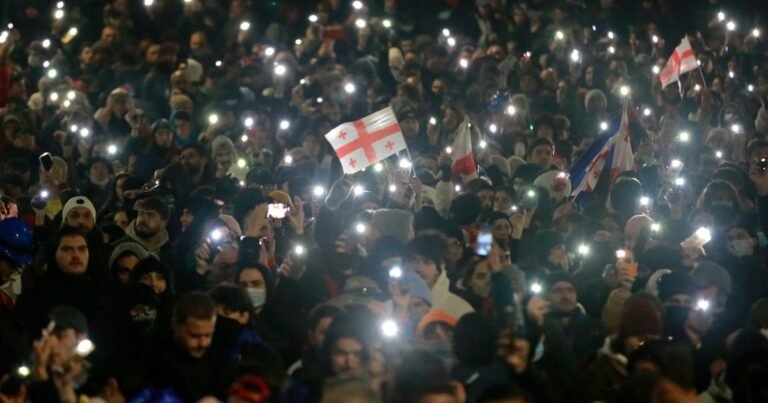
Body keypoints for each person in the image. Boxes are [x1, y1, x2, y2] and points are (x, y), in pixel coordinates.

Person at [148, 291, 223, 402]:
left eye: (208, 335)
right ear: (174, 324)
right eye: (194, 335)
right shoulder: (155, 361)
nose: (203, 343)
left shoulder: (219, 361)